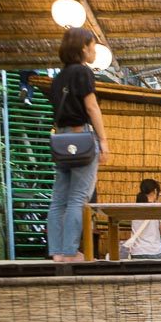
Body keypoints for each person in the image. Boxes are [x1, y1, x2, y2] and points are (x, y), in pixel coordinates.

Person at [46, 27, 110, 263]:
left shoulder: (58, 77)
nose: (94, 49)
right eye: (92, 44)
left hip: (61, 140)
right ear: (83, 47)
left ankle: (56, 252)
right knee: (78, 198)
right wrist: (103, 141)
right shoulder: (83, 72)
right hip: (81, 137)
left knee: (59, 198)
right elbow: (92, 108)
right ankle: (71, 252)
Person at [126, 179, 161, 259]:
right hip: (155, 253)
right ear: (155, 191)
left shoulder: (135, 208)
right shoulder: (158, 208)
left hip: (135, 253)